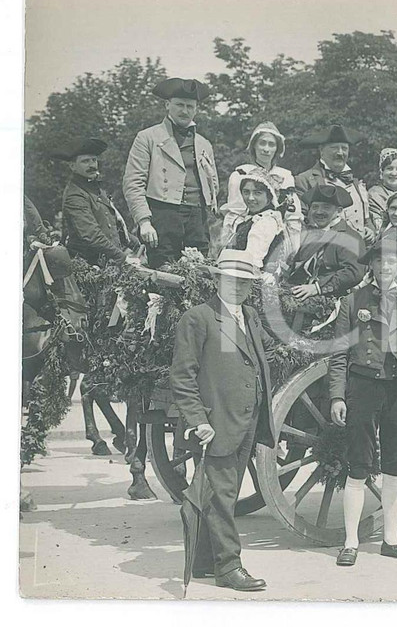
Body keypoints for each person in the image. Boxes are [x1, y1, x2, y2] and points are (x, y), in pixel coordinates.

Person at [171, 249, 275, 591]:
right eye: (231, 281)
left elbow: (251, 361)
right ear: (216, 280)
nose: (238, 287)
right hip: (217, 423)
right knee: (221, 493)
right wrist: (198, 420)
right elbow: (183, 376)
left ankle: (204, 561)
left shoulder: (250, 316)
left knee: (220, 493)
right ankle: (229, 566)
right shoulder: (198, 318)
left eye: (245, 282)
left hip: (248, 418)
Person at [328, 236, 397, 567]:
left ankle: (391, 539)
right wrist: (336, 396)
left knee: (393, 468)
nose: (384, 267)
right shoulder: (352, 301)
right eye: (378, 262)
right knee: (358, 466)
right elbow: (339, 354)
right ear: (371, 266)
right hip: (363, 387)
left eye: (391, 262)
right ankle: (350, 543)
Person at [123, 77, 219, 269]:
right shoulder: (147, 138)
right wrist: (144, 221)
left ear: (196, 109)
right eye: (179, 105)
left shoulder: (204, 144)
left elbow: (212, 182)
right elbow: (133, 183)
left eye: (190, 106)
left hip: (197, 218)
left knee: (199, 273)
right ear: (167, 105)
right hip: (163, 215)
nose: (185, 111)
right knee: (164, 273)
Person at [222, 121, 303, 257]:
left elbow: (292, 217)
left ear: (277, 149)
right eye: (262, 143)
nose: (266, 149)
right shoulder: (241, 174)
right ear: (254, 146)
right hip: (247, 235)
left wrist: (293, 249)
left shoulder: (285, 176)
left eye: (271, 144)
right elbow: (235, 213)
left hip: (278, 236)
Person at [53, 137, 133, 265]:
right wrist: (121, 257)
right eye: (85, 161)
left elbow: (112, 226)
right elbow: (91, 234)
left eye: (94, 160)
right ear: (73, 166)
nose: (92, 165)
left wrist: (135, 244)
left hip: (107, 262)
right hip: (88, 267)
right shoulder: (75, 195)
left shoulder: (96, 189)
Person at [294, 124, 374, 243]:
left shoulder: (356, 183)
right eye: (334, 148)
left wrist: (369, 230)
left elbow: (366, 218)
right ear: (321, 151)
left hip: (359, 251)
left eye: (344, 148)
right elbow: (300, 222)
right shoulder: (304, 180)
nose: (340, 153)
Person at [284, 184, 366, 301]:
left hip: (333, 300)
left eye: (326, 207)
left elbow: (354, 272)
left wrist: (317, 287)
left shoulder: (349, 236)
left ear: (339, 211)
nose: (319, 212)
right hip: (299, 295)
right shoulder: (309, 233)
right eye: (315, 207)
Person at [222, 170, 287, 271]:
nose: (250, 198)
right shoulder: (250, 219)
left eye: (258, 193)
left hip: (253, 277)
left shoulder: (266, 221)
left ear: (269, 197)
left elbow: (252, 259)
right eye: (246, 192)